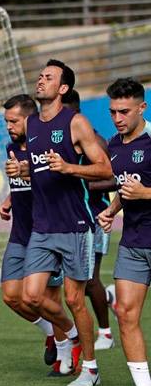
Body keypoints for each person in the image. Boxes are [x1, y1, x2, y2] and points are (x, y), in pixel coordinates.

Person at [7, 59, 113, 386]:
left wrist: (70, 168)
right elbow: (41, 169)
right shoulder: (34, 124)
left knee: (74, 298)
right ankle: (67, 337)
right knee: (32, 296)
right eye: (40, 76)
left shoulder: (76, 122)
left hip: (75, 225)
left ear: (62, 88)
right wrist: (22, 172)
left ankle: (91, 369)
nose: (41, 81)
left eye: (48, 78)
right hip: (42, 227)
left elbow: (106, 169)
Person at [0, 94, 71, 375]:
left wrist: (30, 173)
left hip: (46, 232)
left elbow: (56, 181)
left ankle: (66, 355)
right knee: (10, 296)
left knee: (49, 299)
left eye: (13, 121)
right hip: (20, 233)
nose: (8, 126)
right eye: (6, 121)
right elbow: (21, 184)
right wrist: (9, 199)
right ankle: (53, 333)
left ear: (28, 119)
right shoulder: (11, 147)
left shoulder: (45, 147)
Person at [97, 77, 151, 386]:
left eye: (125, 111)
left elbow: (140, 189)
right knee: (125, 313)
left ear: (142, 108)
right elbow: (125, 186)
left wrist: (146, 194)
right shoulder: (115, 145)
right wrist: (112, 209)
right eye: (113, 111)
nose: (118, 117)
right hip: (133, 242)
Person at [62, 89, 115, 351]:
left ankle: (105, 332)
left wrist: (78, 180)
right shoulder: (60, 141)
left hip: (96, 217)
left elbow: (114, 178)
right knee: (76, 282)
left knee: (90, 279)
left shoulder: (96, 140)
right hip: (71, 218)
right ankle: (109, 298)